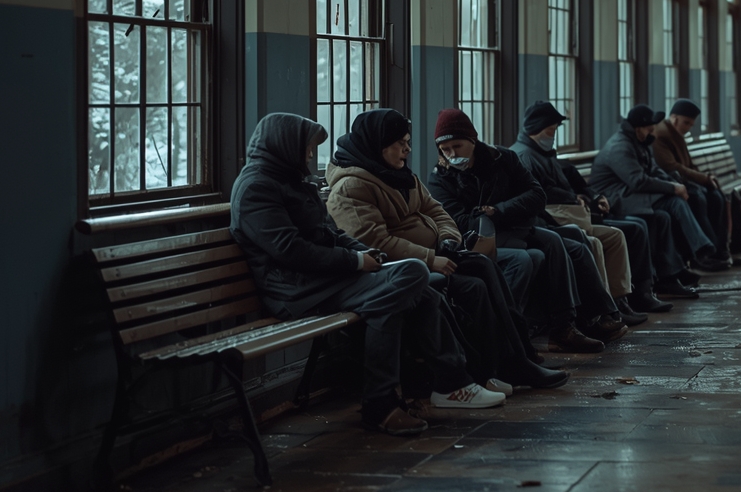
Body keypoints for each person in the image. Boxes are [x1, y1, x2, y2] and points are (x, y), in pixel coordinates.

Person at [229, 113, 504, 436]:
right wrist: (355, 261)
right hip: (295, 290)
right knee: (411, 278)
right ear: (284, 145)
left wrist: (365, 253)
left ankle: (433, 388)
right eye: (306, 148)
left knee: (418, 288)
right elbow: (289, 249)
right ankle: (397, 399)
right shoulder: (256, 188)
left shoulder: (289, 179)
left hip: (324, 280)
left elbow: (329, 232)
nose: (310, 155)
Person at [324, 108, 568, 391]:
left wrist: (448, 240)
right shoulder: (351, 187)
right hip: (403, 268)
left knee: (484, 266)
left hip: (437, 254)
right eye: (399, 144)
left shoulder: (400, 175)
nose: (407, 150)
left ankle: (515, 360)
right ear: (377, 145)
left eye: (408, 142)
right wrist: (431, 258)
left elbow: (437, 212)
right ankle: (490, 369)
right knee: (475, 287)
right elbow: (375, 242)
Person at [426, 108, 626, 353]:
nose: (452, 155)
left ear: (472, 140)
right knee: (550, 245)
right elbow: (460, 221)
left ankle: (586, 319)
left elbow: (537, 195)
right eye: (445, 150)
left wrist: (497, 210)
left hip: (513, 227)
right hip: (481, 239)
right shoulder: (440, 178)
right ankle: (566, 326)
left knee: (564, 241)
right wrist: (499, 214)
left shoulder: (503, 159)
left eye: (457, 146)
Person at [511, 101, 671, 320]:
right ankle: (608, 308)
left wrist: (592, 196)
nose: (553, 136)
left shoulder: (543, 152)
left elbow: (572, 180)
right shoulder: (526, 156)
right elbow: (541, 193)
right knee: (616, 234)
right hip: (556, 220)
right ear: (536, 129)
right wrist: (575, 197)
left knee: (620, 234)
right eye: (551, 131)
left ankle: (621, 299)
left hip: (574, 215)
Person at [588, 105, 731, 293]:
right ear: (639, 127)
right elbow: (637, 181)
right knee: (674, 202)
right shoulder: (620, 147)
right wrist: (673, 188)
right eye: (650, 127)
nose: (653, 130)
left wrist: (676, 185)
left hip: (632, 195)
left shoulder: (639, 142)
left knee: (663, 217)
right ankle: (699, 249)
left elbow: (655, 170)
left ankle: (672, 273)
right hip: (616, 200)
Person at [653, 99, 741, 262]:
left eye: (691, 124)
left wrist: (707, 179)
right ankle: (707, 252)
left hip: (683, 181)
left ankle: (720, 249)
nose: (688, 127)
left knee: (716, 196)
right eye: (686, 123)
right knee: (699, 199)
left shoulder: (675, 133)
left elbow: (688, 164)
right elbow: (671, 166)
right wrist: (704, 179)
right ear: (675, 119)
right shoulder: (662, 135)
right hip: (672, 183)